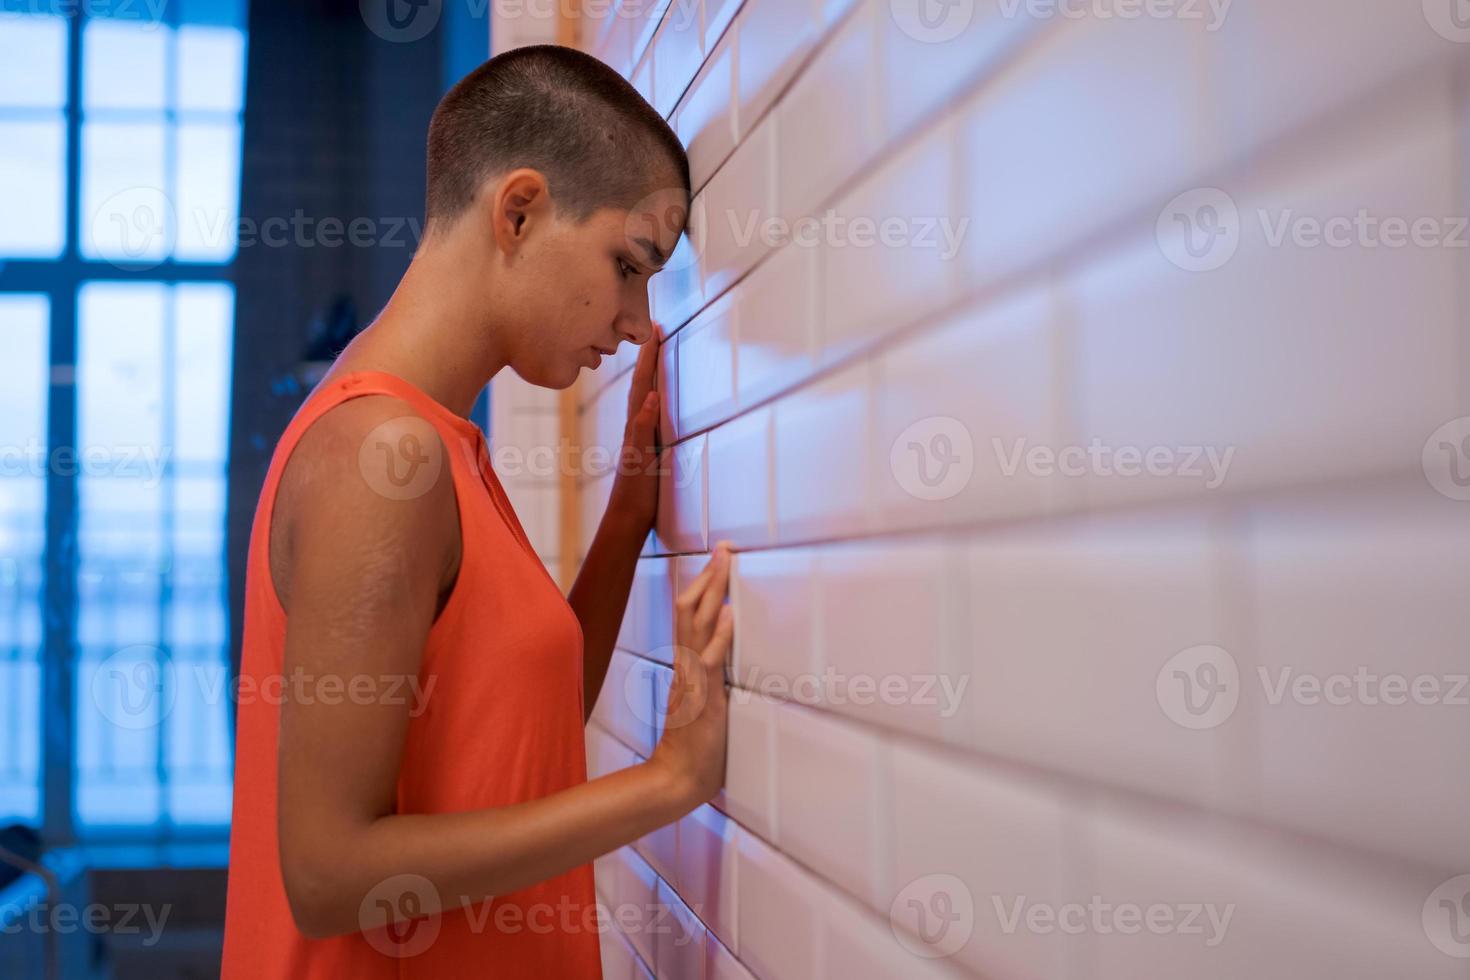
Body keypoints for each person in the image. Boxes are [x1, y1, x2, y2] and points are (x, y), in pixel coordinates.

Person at [220, 44, 733, 978]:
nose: (637, 319)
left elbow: (511, 747)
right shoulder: (386, 460)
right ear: (520, 211)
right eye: (628, 263)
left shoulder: (442, 449)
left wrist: (626, 521)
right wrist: (667, 783)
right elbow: (329, 873)